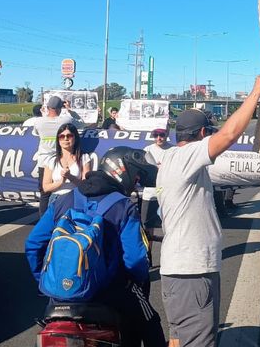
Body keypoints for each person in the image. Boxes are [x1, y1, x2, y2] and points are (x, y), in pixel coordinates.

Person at [156, 74, 260, 347]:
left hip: (180, 271)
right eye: (208, 132)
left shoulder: (173, 160)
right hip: (192, 272)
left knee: (178, 339)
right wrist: (256, 92)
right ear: (201, 135)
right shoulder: (186, 157)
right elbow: (230, 134)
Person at [25, 147, 165, 347]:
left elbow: (33, 244)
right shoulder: (124, 206)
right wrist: (134, 282)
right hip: (109, 291)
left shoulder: (63, 199)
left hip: (60, 297)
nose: (136, 183)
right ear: (123, 171)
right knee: (151, 323)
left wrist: (45, 280)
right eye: (136, 178)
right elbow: (135, 260)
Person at [32, 95, 85, 216]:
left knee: (45, 193)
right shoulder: (66, 120)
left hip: (44, 161)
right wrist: (70, 110)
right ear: (60, 108)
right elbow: (83, 124)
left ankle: (44, 220)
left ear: (47, 107)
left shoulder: (39, 122)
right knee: (66, 189)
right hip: (62, 159)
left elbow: (35, 133)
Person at [41, 124, 93, 205]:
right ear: (58, 140)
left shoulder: (84, 158)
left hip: (76, 198)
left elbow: (86, 185)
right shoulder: (51, 160)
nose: (65, 139)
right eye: (62, 136)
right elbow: (46, 187)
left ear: (75, 138)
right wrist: (61, 181)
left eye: (69, 136)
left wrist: (70, 177)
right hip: (56, 199)